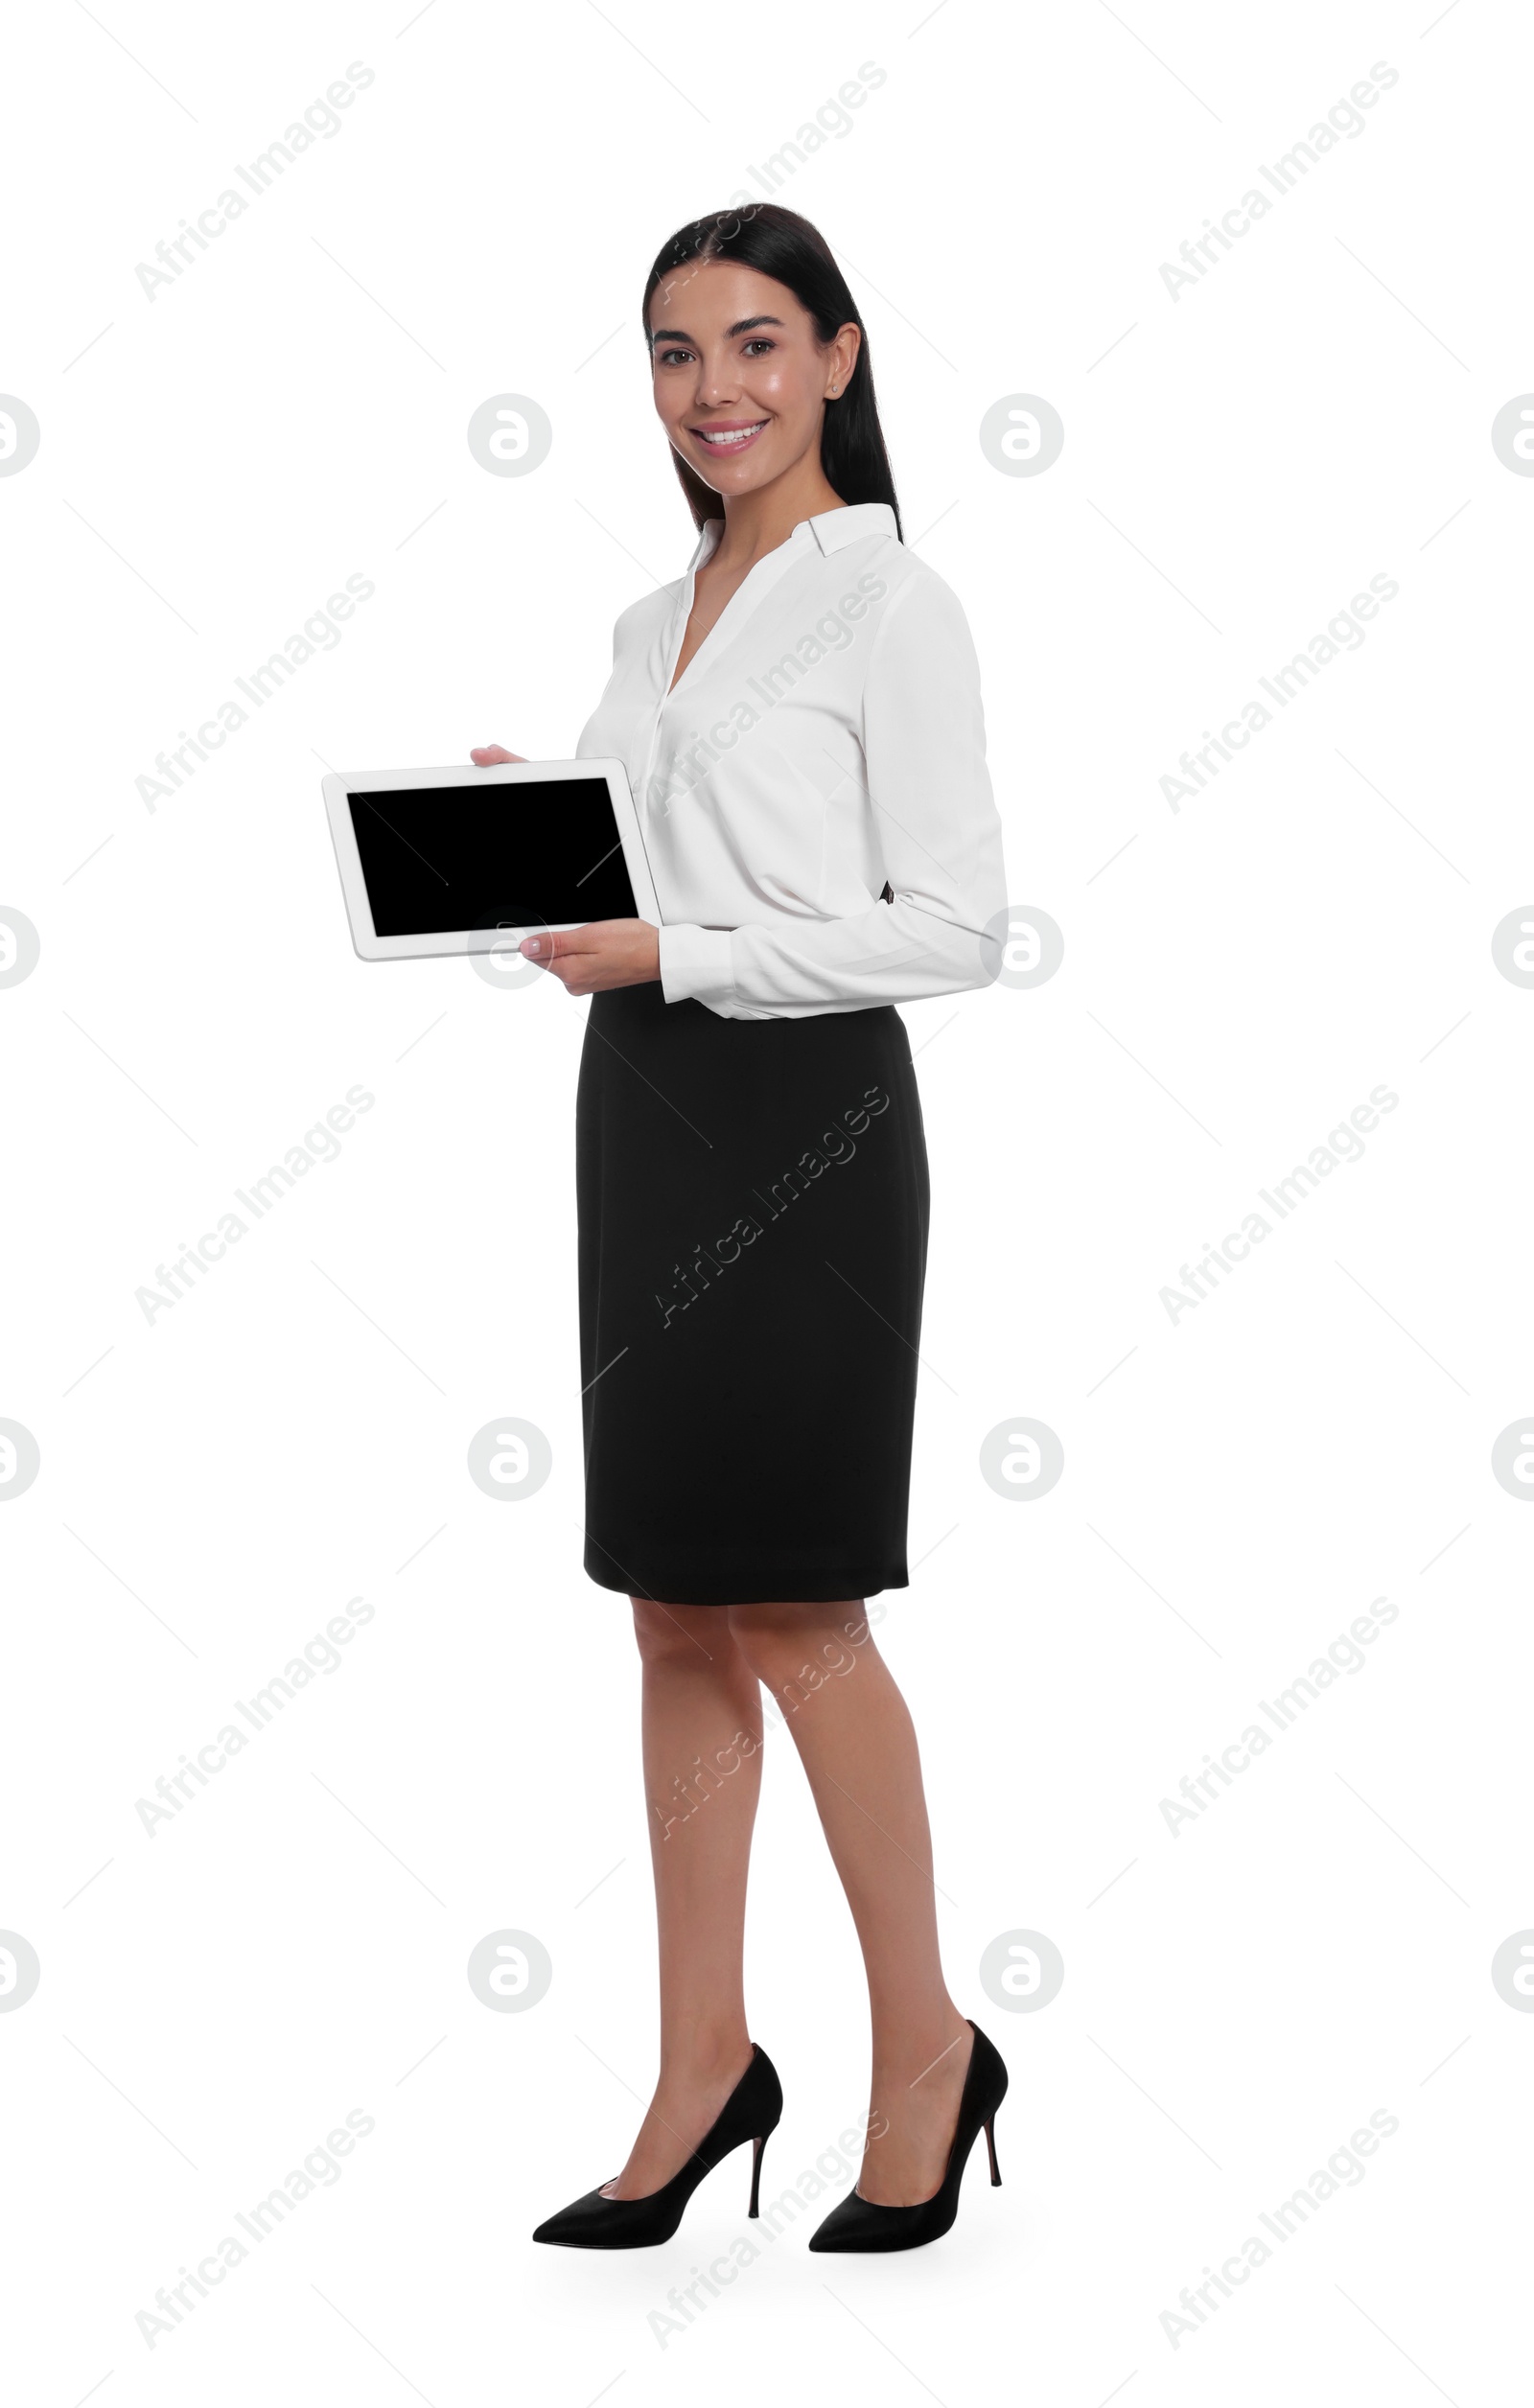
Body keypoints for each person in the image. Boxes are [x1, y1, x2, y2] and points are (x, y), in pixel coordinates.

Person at [473, 203, 1010, 2253]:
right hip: (645, 1116)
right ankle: (703, 2058)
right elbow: (654, 874)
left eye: (759, 342)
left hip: (806, 1126)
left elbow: (951, 920)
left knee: (797, 1606)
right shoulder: (650, 618)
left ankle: (924, 2050)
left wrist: (673, 941)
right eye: (678, 352)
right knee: (669, 1599)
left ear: (843, 359)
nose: (717, 389)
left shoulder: (896, 608)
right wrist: (537, 825)